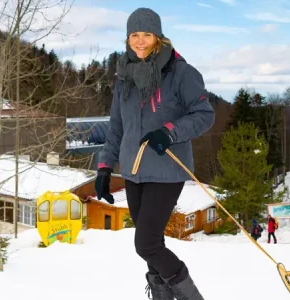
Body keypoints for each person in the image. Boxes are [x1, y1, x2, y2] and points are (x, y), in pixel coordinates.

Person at [94, 7, 214, 300]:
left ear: (158, 37)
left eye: (146, 34)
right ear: (127, 38)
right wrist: (105, 166)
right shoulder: (124, 76)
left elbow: (204, 115)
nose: (140, 41)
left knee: (146, 244)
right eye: (134, 34)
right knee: (153, 241)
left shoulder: (180, 72)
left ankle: (191, 296)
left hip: (166, 169)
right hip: (134, 171)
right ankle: (162, 294)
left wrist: (169, 132)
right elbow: (117, 127)